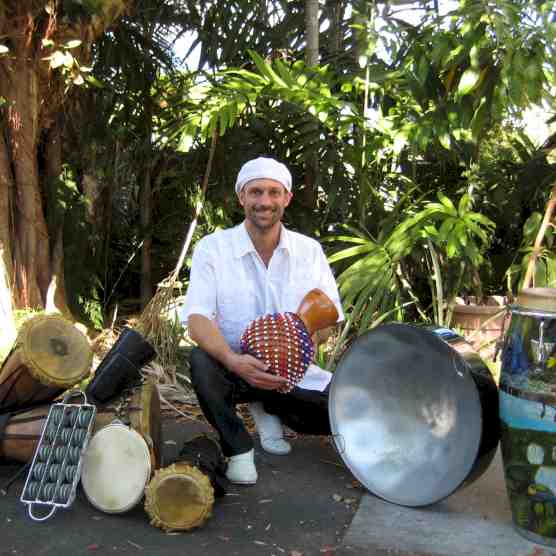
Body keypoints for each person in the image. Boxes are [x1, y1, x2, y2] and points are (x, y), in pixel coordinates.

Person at [179, 156, 344, 485]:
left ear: (287, 198)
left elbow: (330, 318)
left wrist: (297, 342)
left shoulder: (308, 250)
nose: (264, 202)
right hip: (237, 369)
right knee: (201, 361)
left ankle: (270, 408)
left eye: (273, 192)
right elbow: (196, 318)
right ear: (242, 197)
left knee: (343, 416)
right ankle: (239, 448)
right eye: (255, 192)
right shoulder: (213, 248)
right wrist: (233, 360)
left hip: (293, 374)